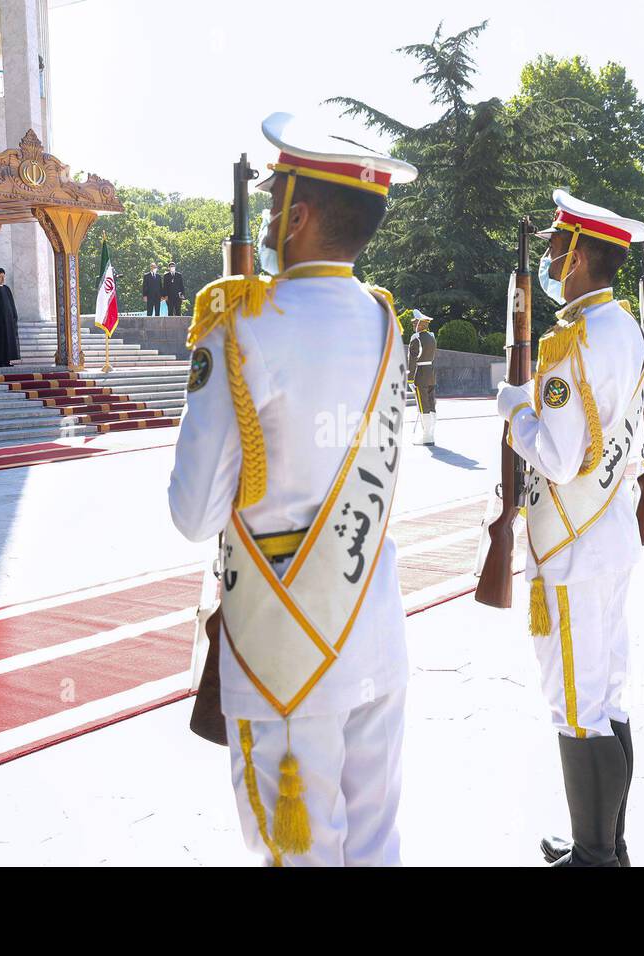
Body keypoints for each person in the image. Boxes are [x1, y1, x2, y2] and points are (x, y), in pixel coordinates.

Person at [167, 111, 417, 867]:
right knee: (374, 846)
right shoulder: (385, 322)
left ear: (299, 216)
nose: (271, 215)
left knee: (297, 854)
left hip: (285, 640)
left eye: (277, 200)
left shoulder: (242, 323)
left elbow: (193, 514)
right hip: (372, 614)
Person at [497, 191, 644, 867]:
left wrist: (515, 412)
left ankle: (595, 854)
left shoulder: (573, 344)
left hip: (570, 545)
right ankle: (607, 842)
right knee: (606, 694)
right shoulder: (627, 330)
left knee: (575, 703)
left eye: (560, 248)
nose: (555, 259)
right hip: (609, 534)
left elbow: (557, 457)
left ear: (582, 254)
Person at [407, 312, 438, 445]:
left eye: (415, 323)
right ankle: (430, 434)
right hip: (431, 372)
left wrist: (409, 379)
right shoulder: (432, 337)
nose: (413, 325)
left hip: (420, 374)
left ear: (420, 325)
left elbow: (412, 360)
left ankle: (426, 436)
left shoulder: (416, 338)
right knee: (431, 403)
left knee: (423, 404)